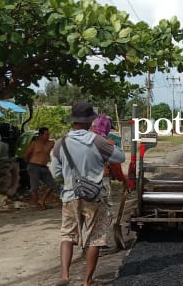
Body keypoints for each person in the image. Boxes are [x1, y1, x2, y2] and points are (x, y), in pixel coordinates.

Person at [51, 101, 125, 286]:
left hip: (70, 195)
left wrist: (70, 180)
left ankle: (65, 276)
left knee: (67, 236)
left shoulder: (61, 143)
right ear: (90, 121)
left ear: (73, 121)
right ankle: (87, 281)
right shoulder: (98, 141)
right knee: (95, 238)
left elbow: (56, 174)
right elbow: (120, 157)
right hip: (95, 197)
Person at [23, 127, 59, 210]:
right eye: (46, 134)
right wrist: (30, 163)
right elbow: (26, 156)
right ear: (40, 135)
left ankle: (42, 201)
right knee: (34, 187)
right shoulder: (34, 144)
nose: (48, 136)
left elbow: (60, 148)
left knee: (53, 185)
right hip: (34, 166)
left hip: (44, 167)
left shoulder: (51, 143)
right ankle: (36, 205)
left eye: (48, 134)